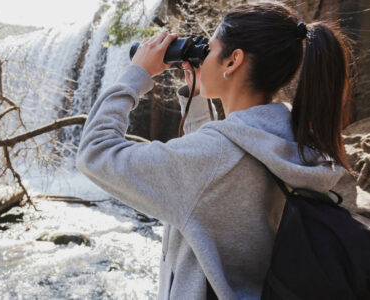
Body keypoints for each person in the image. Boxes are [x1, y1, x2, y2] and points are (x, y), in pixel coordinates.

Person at [76, 1, 353, 299]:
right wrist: (196, 99)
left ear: (233, 61)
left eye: (209, 49)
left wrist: (136, 74)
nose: (202, 57)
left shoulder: (213, 159)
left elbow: (95, 153)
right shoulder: (298, 142)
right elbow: (213, 180)